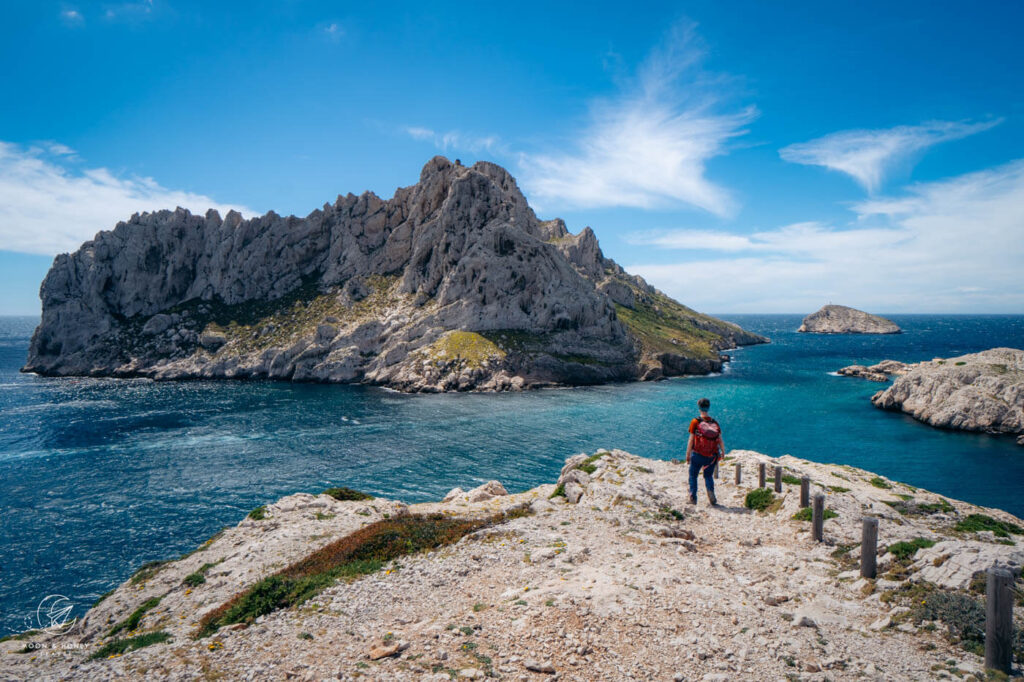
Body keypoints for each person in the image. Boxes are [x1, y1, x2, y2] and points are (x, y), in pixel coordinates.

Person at [685, 397, 725, 506]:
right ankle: (711, 494)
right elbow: (720, 439)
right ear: (708, 408)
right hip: (711, 456)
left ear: (699, 407)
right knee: (708, 476)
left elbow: (691, 439)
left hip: (697, 454)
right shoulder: (714, 422)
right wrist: (723, 452)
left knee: (693, 475)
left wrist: (688, 454)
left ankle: (693, 497)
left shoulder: (695, 422)